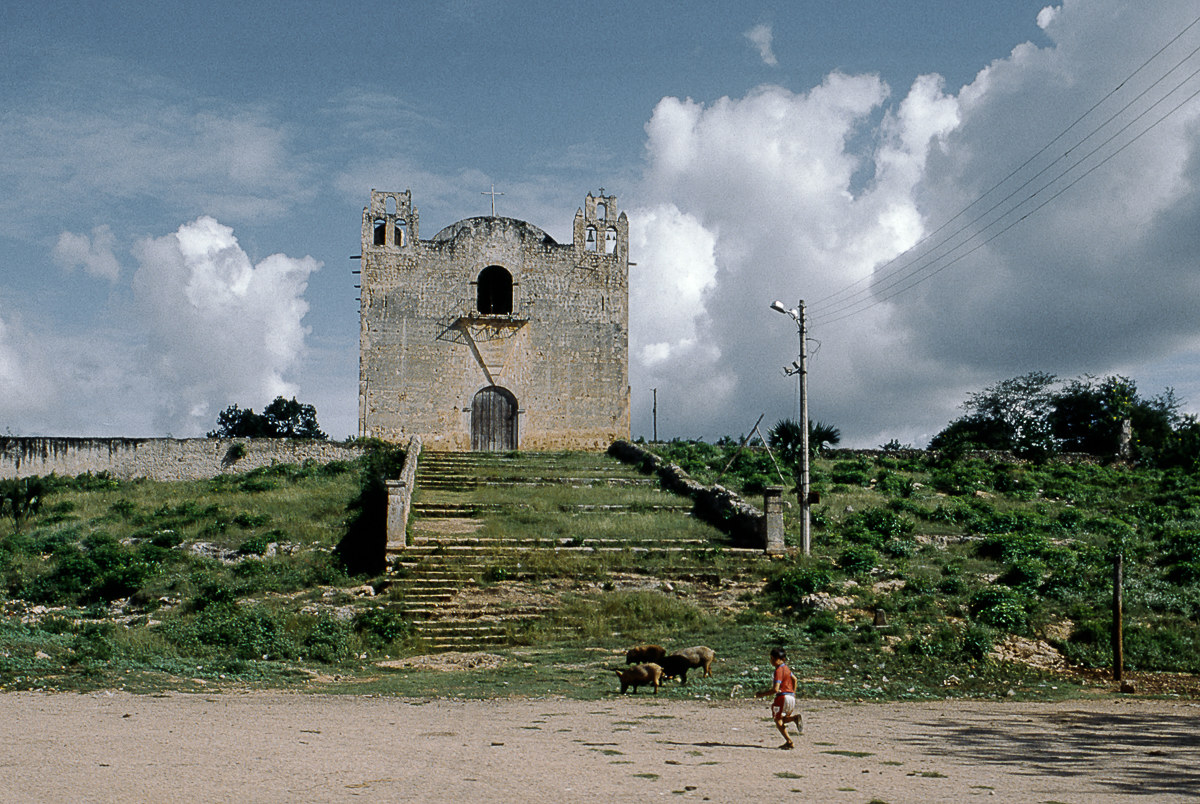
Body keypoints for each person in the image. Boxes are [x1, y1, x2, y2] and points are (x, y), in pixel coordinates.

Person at [756, 646, 803, 749]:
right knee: (783, 718)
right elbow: (795, 679)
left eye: (772, 659)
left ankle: (789, 741)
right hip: (791, 697)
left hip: (782, 697)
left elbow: (776, 689)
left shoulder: (778, 671)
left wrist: (761, 694)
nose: (771, 661)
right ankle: (794, 718)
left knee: (777, 720)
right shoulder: (786, 668)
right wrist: (793, 692)